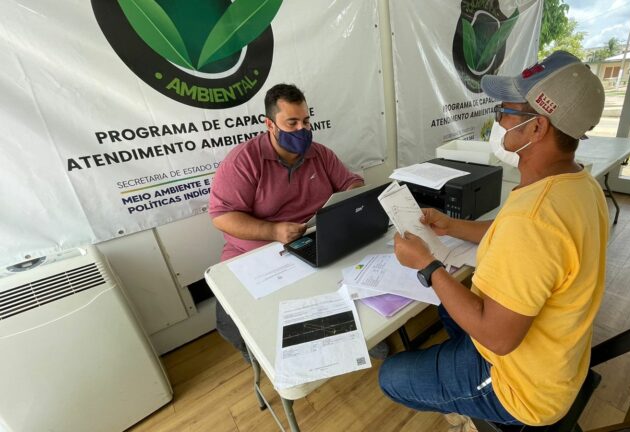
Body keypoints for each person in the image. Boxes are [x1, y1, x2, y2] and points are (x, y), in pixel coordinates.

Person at [378, 50, 609, 427]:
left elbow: (499, 340)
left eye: (506, 111)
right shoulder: (579, 185)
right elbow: (518, 238)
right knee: (446, 303)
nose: (498, 120)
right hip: (554, 357)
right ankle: (458, 373)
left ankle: (472, 403)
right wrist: (451, 226)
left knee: (392, 377)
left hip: (521, 387)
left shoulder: (533, 220)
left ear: (538, 128)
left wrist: (428, 265)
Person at [208, 83, 364, 359]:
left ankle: (359, 332)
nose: (301, 130)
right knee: (233, 318)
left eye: (305, 121)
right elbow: (221, 217)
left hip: (315, 236)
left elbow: (351, 182)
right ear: (270, 124)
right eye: (291, 122)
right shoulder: (244, 161)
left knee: (353, 275)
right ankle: (263, 354)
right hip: (260, 248)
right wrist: (273, 230)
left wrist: (349, 198)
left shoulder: (320, 153)